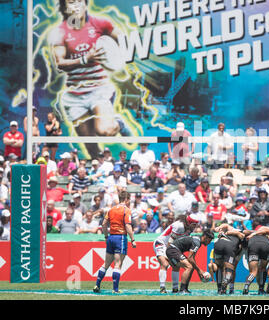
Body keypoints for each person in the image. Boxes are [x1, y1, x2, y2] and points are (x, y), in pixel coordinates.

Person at [49, 0, 132, 158]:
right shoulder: (59, 32)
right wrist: (85, 59)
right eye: (71, 2)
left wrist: (115, 58)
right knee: (91, 147)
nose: (76, 5)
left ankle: (118, 123)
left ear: (86, 4)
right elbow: (60, 63)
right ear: (65, 8)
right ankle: (103, 170)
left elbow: (124, 40)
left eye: (80, 1)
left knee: (104, 131)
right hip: (74, 96)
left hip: (98, 89)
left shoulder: (100, 24)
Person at [93, 191, 136, 294]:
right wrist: (133, 239)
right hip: (120, 237)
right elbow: (128, 226)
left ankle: (97, 285)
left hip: (111, 237)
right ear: (126, 199)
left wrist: (106, 236)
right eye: (129, 199)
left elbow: (103, 224)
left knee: (106, 264)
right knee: (118, 264)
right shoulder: (126, 210)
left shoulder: (111, 210)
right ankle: (115, 289)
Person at [153, 213, 199, 293]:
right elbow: (170, 242)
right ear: (189, 223)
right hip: (161, 243)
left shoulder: (188, 228)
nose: (195, 227)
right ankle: (162, 287)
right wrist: (170, 255)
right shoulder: (179, 226)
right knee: (165, 264)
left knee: (176, 265)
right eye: (194, 225)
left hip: (172, 246)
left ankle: (175, 288)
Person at [210, 223, 245, 294]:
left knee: (219, 267)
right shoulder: (242, 234)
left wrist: (219, 228)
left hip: (218, 243)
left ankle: (220, 289)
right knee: (230, 270)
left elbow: (225, 225)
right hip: (230, 246)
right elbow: (243, 235)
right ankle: (226, 282)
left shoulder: (231, 230)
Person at [242, 219, 269, 295]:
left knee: (253, 271)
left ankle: (247, 284)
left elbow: (243, 232)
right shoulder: (267, 232)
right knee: (263, 269)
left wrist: (252, 233)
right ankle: (262, 288)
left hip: (253, 245)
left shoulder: (251, 232)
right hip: (265, 244)